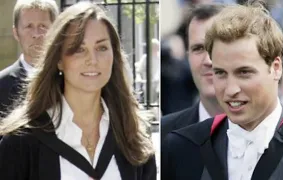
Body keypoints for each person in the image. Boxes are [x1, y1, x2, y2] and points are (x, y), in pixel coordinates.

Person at [161, 1, 283, 180]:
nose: (231, 89)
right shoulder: (181, 146)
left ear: (276, 68)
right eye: (220, 73)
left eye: (244, 72)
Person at [0, 2, 156, 180]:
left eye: (102, 48)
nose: (93, 59)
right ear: (59, 60)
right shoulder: (21, 142)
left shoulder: (132, 134)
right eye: (79, 49)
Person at [161, 4, 223, 140]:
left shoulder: (266, 130)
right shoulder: (165, 134)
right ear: (187, 55)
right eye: (199, 48)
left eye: (217, 46)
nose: (208, 60)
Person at [0, 0, 59, 118]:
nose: (36, 34)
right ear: (16, 33)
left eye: (43, 26)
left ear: (55, 30)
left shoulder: (69, 80)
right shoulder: (2, 85)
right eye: (29, 26)